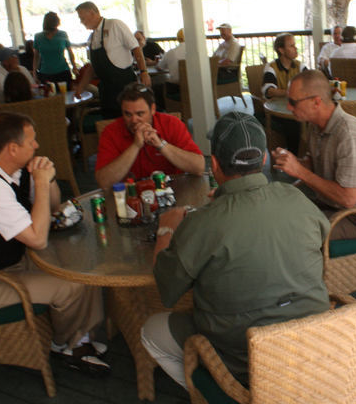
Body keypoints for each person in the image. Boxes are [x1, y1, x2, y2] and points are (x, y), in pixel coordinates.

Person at [141, 112, 330, 389]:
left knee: (150, 331)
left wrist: (166, 230)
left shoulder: (202, 223)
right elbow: (320, 235)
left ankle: (217, 391)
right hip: (316, 342)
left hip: (245, 361)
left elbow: (167, 290)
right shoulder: (295, 197)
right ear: (263, 160)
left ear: (215, 164)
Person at [0, 112, 110, 376]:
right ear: (13, 149)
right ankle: (69, 346)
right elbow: (38, 239)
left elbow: (52, 208)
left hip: (4, 263)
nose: (37, 145)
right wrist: (41, 181)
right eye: (31, 141)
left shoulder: (9, 172)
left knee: (81, 267)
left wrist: (47, 180)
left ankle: (79, 337)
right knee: (73, 284)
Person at [272, 70, 356, 241]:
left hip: (355, 217)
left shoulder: (350, 134)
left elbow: (348, 199)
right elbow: (315, 163)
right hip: (328, 205)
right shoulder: (315, 125)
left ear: (316, 102)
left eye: (293, 102)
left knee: (286, 233)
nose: (288, 107)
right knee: (274, 215)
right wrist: (293, 162)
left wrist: (300, 171)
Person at [95, 83, 204, 189]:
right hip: (131, 195)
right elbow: (104, 183)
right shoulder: (111, 132)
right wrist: (135, 146)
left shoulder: (172, 124)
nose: (134, 120)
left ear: (152, 109)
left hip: (173, 190)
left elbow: (199, 168)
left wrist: (161, 145)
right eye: (128, 114)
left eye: (140, 114)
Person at [73, 1, 150, 119]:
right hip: (106, 91)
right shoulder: (92, 38)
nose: (81, 22)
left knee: (129, 121)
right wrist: (80, 87)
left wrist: (143, 72)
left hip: (124, 85)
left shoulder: (114, 25)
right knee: (110, 123)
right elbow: (92, 67)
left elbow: (136, 48)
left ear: (92, 13)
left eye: (82, 18)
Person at [262, 32, 308, 155]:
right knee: (294, 123)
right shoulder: (272, 67)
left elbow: (310, 82)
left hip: (297, 108)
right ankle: (293, 156)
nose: (295, 48)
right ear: (281, 50)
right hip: (277, 111)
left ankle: (308, 153)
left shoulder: (298, 65)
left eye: (295, 45)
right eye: (291, 46)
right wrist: (292, 92)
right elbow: (269, 91)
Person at [33, 12, 78, 91]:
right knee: (49, 96)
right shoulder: (38, 37)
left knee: (66, 95)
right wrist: (34, 73)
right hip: (45, 73)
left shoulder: (63, 34)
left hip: (63, 71)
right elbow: (36, 56)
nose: (55, 30)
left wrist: (74, 67)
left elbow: (70, 52)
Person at [154, 29, 186, 110]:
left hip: (178, 89)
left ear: (178, 38)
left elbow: (159, 68)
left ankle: (168, 111)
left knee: (157, 87)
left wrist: (155, 63)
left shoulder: (171, 52)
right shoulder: (198, 51)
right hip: (199, 87)